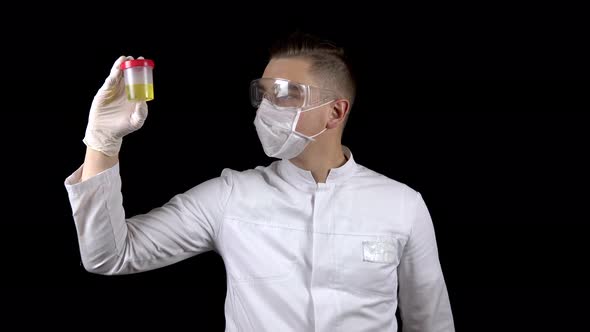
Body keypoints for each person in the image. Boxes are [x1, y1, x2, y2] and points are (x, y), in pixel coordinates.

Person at [64, 32, 455, 331]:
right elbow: (109, 256)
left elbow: (432, 323)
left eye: (285, 95)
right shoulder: (230, 197)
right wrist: (102, 142)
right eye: (263, 93)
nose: (267, 108)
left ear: (335, 112)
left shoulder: (401, 205)